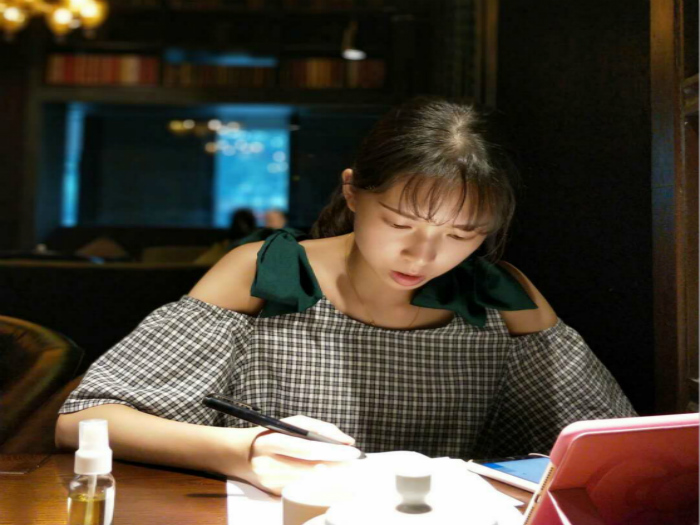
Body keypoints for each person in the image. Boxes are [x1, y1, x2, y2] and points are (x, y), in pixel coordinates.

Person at [55, 97, 636, 496]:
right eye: (400, 223)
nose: (422, 256)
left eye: (462, 235)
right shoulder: (269, 273)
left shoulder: (500, 297)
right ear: (353, 192)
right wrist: (247, 451)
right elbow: (84, 420)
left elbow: (618, 446)